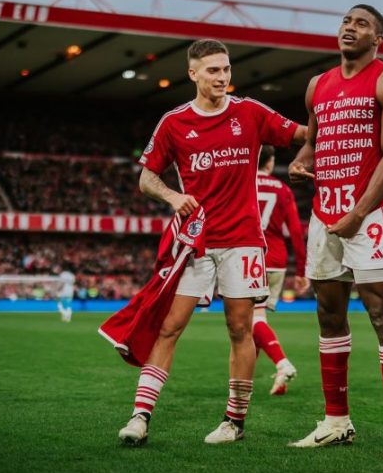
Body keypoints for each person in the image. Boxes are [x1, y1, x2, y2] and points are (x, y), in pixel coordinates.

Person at [116, 38, 306, 447]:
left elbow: (301, 133)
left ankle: (233, 422)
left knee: (241, 328)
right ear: (193, 74)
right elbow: (146, 177)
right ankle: (140, 417)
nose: (222, 77)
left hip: (243, 241)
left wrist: (335, 120)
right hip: (197, 241)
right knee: (170, 327)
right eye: (213, 71)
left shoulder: (251, 112)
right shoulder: (174, 122)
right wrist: (171, 196)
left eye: (226, 69)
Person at [287, 4, 383, 460]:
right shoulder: (317, 85)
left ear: (378, 38)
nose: (350, 28)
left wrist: (360, 213)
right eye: (346, 21)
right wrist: (303, 161)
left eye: (361, 24)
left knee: (382, 314)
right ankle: (336, 421)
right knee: (328, 314)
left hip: (368, 215)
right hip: (324, 215)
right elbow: (313, 142)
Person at [255, 145, 310, 395]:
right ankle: (252, 380)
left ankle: (282, 362)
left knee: (251, 320)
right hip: (276, 259)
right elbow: (296, 232)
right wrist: (300, 269)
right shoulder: (283, 190)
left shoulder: (240, 183)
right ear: (269, 163)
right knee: (253, 322)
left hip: (249, 257)